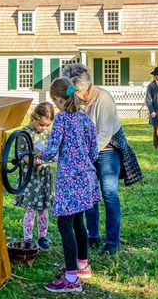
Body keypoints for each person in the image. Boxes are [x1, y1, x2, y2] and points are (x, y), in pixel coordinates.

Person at [61, 63, 142, 256]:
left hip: (107, 149)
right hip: (87, 151)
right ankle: (93, 235)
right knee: (89, 194)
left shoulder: (103, 99)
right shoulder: (75, 102)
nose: (70, 94)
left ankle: (112, 241)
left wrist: (85, 155)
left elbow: (104, 134)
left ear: (85, 88)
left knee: (109, 193)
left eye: (73, 90)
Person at [39, 78, 101, 293]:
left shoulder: (63, 119)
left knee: (65, 225)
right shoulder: (85, 118)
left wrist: (39, 154)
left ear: (57, 99)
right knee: (78, 222)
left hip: (69, 179)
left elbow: (51, 150)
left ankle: (71, 279)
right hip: (87, 177)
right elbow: (94, 150)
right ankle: (82, 265)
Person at [13, 102, 56, 250]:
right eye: (41, 124)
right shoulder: (24, 134)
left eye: (46, 125)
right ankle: (27, 238)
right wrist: (31, 161)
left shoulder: (47, 133)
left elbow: (51, 150)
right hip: (31, 178)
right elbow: (20, 156)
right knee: (31, 209)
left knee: (43, 209)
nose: (43, 128)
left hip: (44, 176)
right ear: (34, 118)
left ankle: (42, 237)